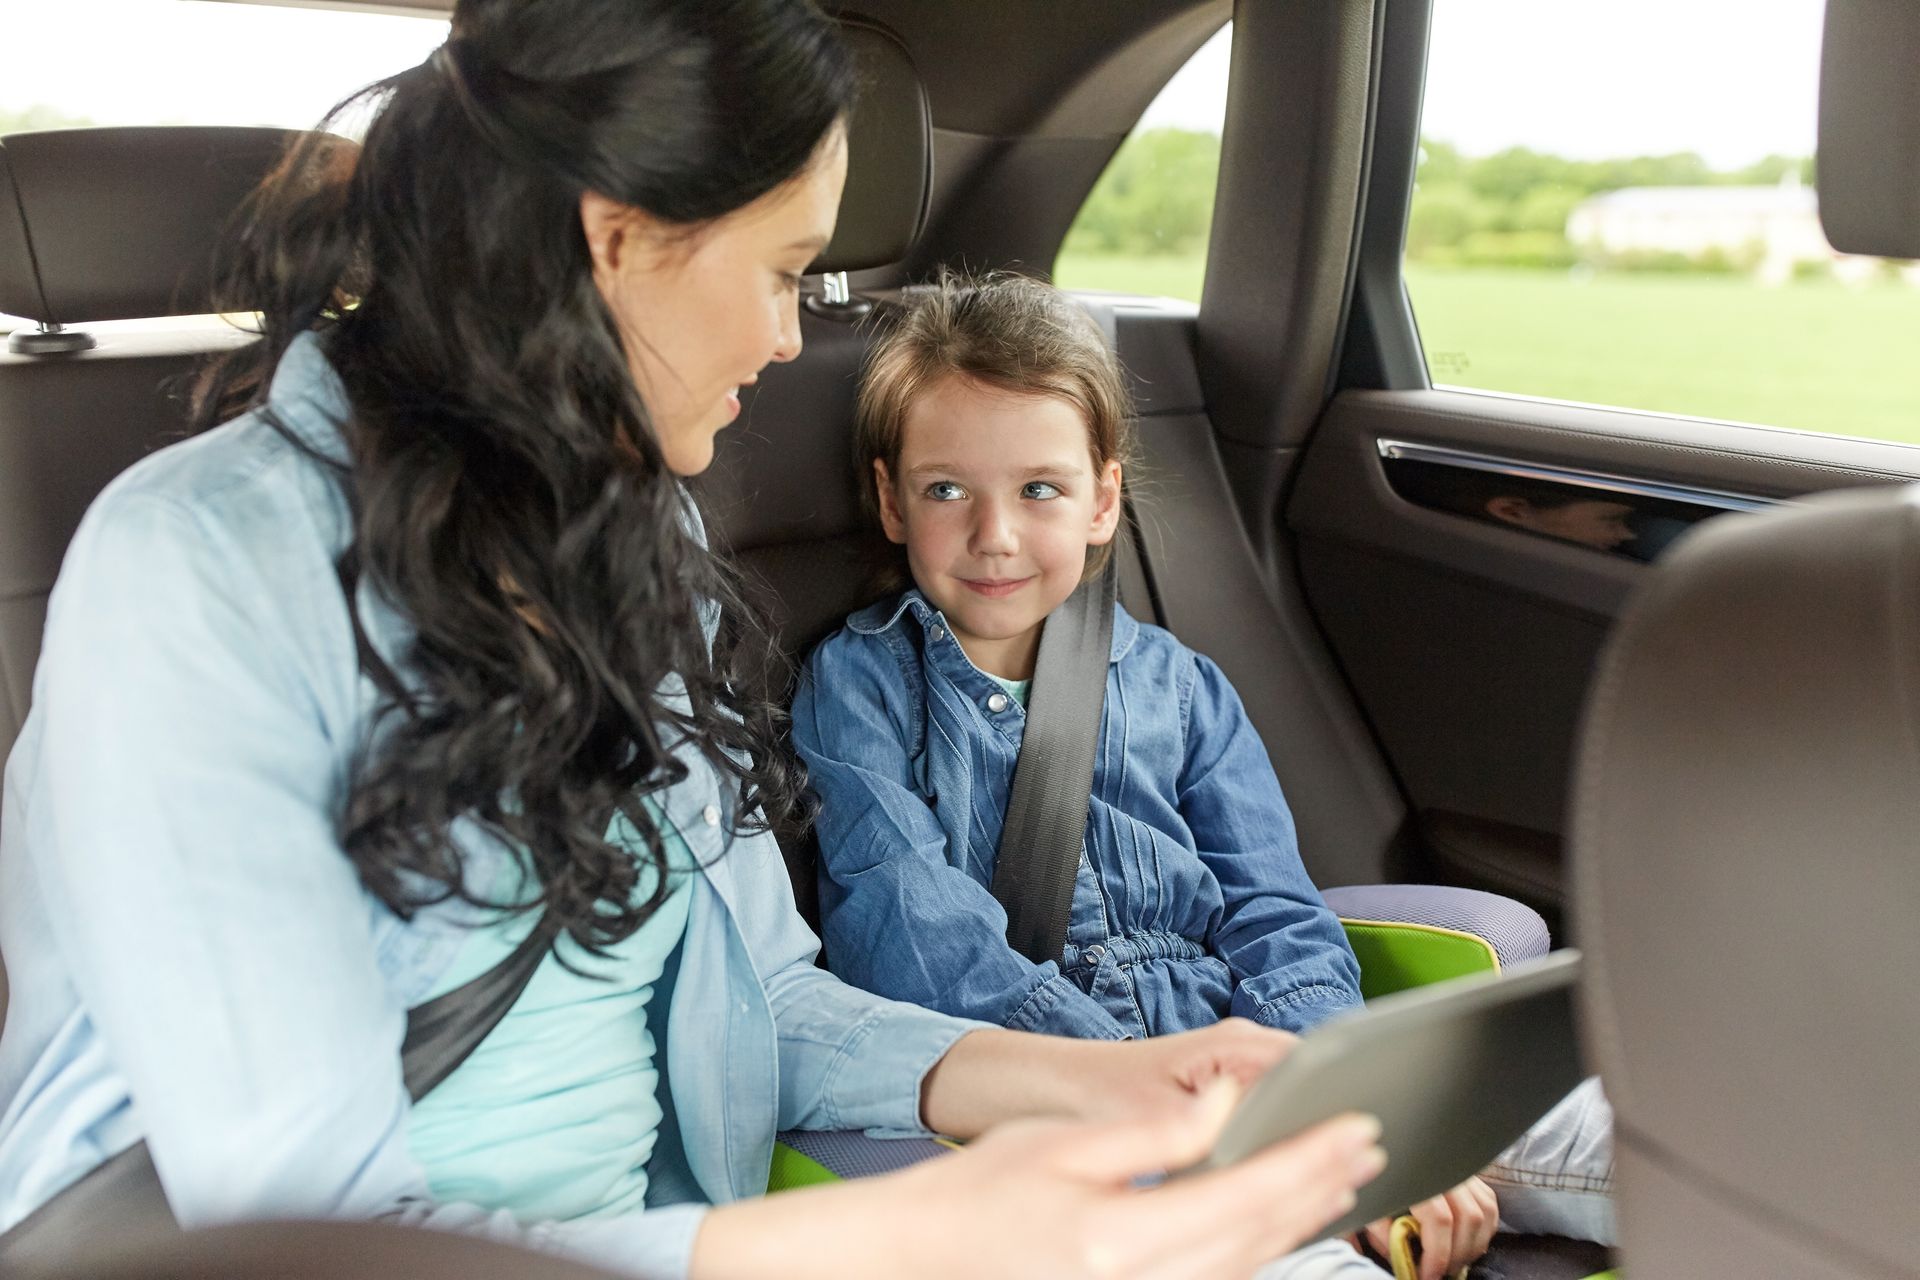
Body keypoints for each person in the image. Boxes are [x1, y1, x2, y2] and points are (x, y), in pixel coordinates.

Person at [0, 4, 1391, 1278]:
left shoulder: (630, 531)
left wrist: (1113, 1084)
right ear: (618, 238)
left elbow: (764, 997)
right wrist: (903, 1237)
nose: (791, 340)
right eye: (783, 271)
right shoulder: (194, 571)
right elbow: (308, 1235)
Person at [790, 271, 1618, 1280]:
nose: (994, 534)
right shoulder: (861, 686)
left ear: (1103, 500)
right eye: (946, 490)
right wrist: (1166, 1100)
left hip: (1254, 1063)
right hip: (1054, 1102)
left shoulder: (1181, 687)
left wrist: (1341, 1112)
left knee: (1645, 1131)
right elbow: (917, 942)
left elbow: (1275, 912)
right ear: (890, 499)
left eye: (1039, 489)